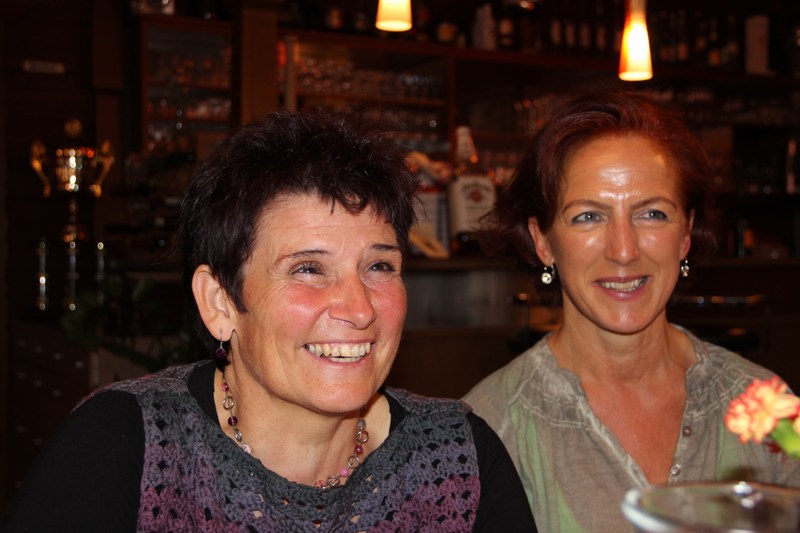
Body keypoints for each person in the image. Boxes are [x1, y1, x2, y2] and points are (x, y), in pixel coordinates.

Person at [2, 109, 535, 532]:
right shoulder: (128, 446)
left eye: (379, 267)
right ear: (219, 303)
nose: (359, 309)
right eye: (308, 269)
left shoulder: (458, 459)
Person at [462, 91, 800, 532]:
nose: (623, 250)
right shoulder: (487, 429)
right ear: (543, 241)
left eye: (652, 214)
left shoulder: (770, 409)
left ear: (686, 234)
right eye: (588, 217)